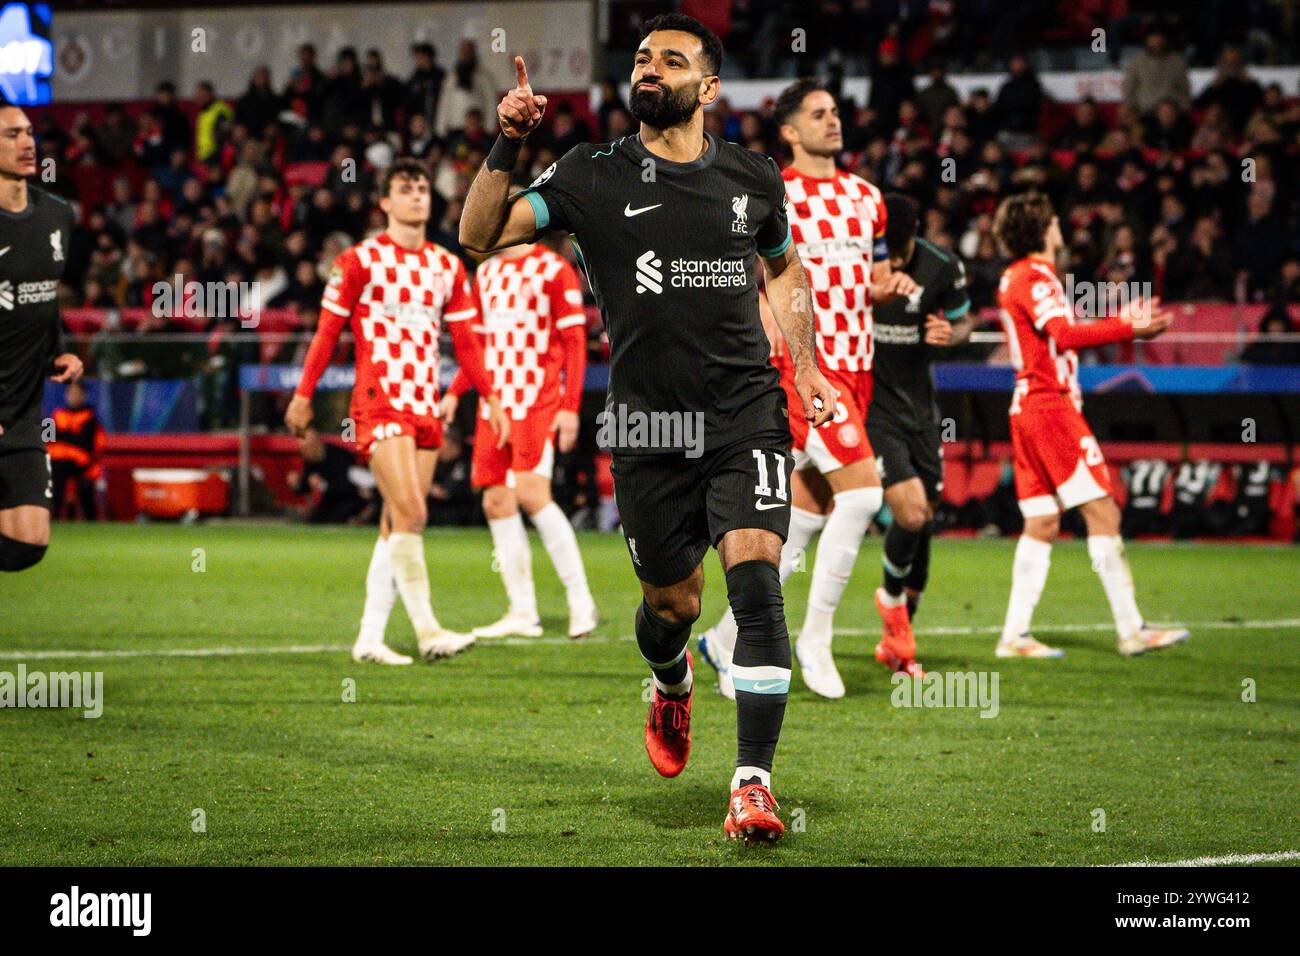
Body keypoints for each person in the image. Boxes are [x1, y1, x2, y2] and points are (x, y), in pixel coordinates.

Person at [458, 14, 838, 843]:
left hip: (745, 415)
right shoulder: (589, 174)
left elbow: (782, 266)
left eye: (671, 59)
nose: (649, 69)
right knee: (672, 605)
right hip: (647, 427)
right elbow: (477, 235)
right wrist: (506, 144)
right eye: (641, 58)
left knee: (756, 580)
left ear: (707, 88)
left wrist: (804, 365)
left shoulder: (752, 176)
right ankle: (671, 683)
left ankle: (752, 785)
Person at [696, 78, 916, 701]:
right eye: (819, 115)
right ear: (789, 130)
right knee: (863, 494)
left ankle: (723, 638)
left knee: (804, 518)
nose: (833, 121)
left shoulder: (868, 198)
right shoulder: (775, 191)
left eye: (836, 112)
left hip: (859, 366)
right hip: (807, 369)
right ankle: (815, 640)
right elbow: (747, 270)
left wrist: (885, 287)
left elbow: (866, 275)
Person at [285, 158, 509, 665]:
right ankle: (429, 631)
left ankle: (368, 637)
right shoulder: (358, 261)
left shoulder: (447, 266)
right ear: (384, 201)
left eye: (423, 188)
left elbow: (468, 344)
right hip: (378, 399)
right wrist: (303, 395)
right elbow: (326, 333)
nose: (416, 196)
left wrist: (491, 397)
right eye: (405, 189)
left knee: (397, 523)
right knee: (413, 510)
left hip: (425, 403)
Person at [991, 192, 1188, 659]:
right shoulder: (1033, 277)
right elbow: (1066, 334)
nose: (1060, 228)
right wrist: (1128, 325)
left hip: (1029, 408)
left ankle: (1014, 636)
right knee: (1104, 513)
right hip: (1050, 408)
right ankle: (1132, 629)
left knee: (1042, 521)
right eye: (1055, 220)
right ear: (1043, 228)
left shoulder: (1017, 277)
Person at [440, 241, 598, 639]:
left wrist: (569, 406)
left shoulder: (554, 269)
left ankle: (582, 601)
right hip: (494, 406)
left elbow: (575, 342)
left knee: (531, 493)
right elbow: (478, 349)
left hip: (536, 400)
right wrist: (457, 391)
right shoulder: (487, 273)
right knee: (496, 500)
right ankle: (523, 611)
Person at [866, 193, 971, 670]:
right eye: (891, 251)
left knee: (924, 519)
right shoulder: (860, 263)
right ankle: (890, 608)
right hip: (872, 406)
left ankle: (897, 639)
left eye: (904, 252)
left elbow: (966, 321)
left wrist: (951, 332)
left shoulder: (942, 267)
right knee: (909, 513)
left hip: (920, 412)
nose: (898, 261)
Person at [0, 103, 83, 572]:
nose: (27, 143)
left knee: (28, 545)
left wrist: (61, 350)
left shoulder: (56, 215)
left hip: (23, 411)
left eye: (29, 133)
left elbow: (45, 297)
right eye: (12, 135)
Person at [48, 380, 105, 521]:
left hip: (80, 462)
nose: (73, 396)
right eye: (70, 393)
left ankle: (58, 514)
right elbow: (47, 435)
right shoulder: (57, 414)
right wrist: (69, 435)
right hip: (56, 460)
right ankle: (52, 515)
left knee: (58, 470)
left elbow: (85, 443)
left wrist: (62, 434)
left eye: (77, 393)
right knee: (49, 469)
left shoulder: (89, 417)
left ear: (83, 395)